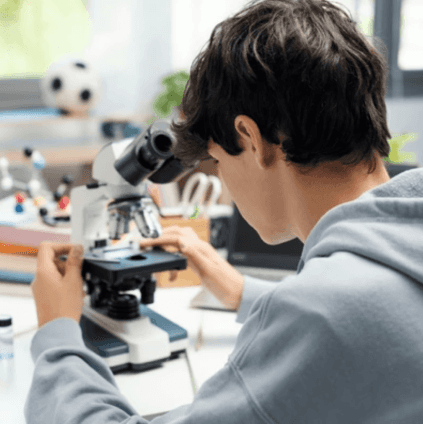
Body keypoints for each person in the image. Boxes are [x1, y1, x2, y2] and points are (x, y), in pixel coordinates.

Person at [25, 0, 423, 422]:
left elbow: (336, 321)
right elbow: (379, 315)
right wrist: (244, 293)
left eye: (217, 161)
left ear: (251, 139)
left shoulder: (326, 317)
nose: (224, 182)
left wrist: (57, 336)